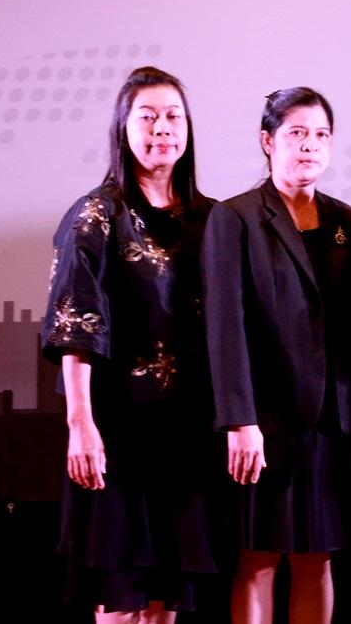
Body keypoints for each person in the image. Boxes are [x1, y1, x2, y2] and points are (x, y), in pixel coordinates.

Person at [201, 87, 351, 624]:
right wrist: (239, 421)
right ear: (268, 141)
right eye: (297, 134)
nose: (310, 145)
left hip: (334, 423)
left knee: (317, 557)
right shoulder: (235, 218)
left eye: (321, 135)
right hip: (265, 423)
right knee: (258, 558)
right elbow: (224, 328)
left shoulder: (347, 222)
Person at [41, 66, 220, 623]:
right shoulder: (97, 215)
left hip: (189, 434)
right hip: (117, 434)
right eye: (147, 117)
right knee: (120, 593)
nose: (161, 128)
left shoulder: (212, 220)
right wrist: (80, 425)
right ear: (123, 128)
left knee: (169, 596)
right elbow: (75, 325)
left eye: (173, 116)